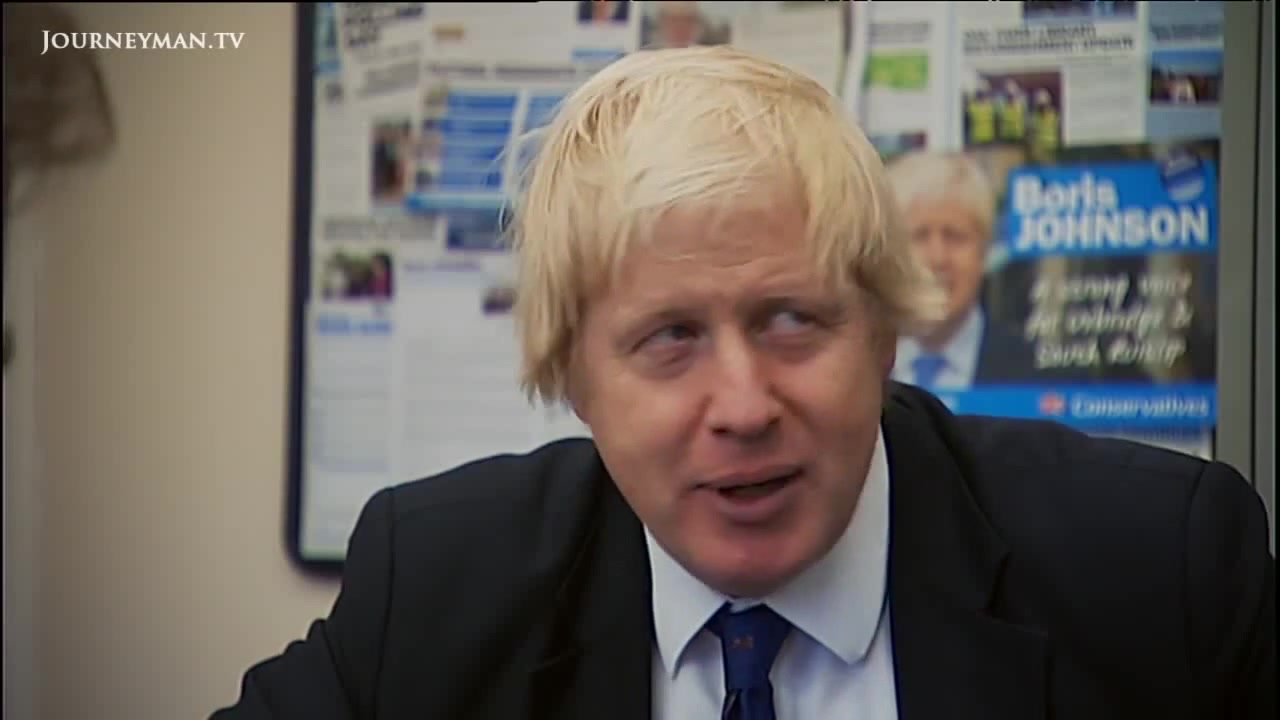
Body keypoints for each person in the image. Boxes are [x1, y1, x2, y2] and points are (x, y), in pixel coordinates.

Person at [211, 46, 1275, 720]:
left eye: (792, 320)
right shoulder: (438, 588)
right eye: (670, 338)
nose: (744, 406)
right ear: (574, 378)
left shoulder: (1162, 572)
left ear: (883, 332)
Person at [884, 150, 1042, 389]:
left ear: (984, 250)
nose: (938, 258)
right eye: (919, 236)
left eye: (955, 236)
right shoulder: (860, 366)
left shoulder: (1035, 373)